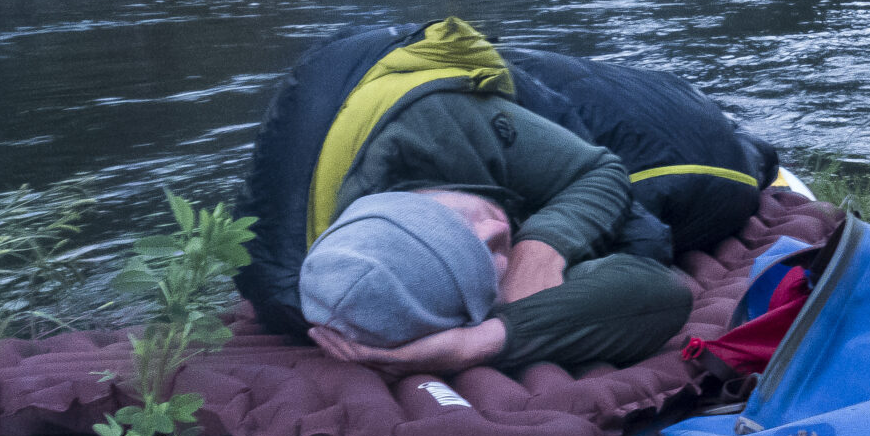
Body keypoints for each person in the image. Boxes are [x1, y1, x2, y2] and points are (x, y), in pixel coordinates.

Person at [296, 90, 695, 377]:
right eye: (486, 263)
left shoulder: (439, 123)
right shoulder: (333, 288)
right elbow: (661, 293)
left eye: (453, 222)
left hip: (488, 94)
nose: (497, 230)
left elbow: (600, 170)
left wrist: (542, 245)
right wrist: (479, 343)